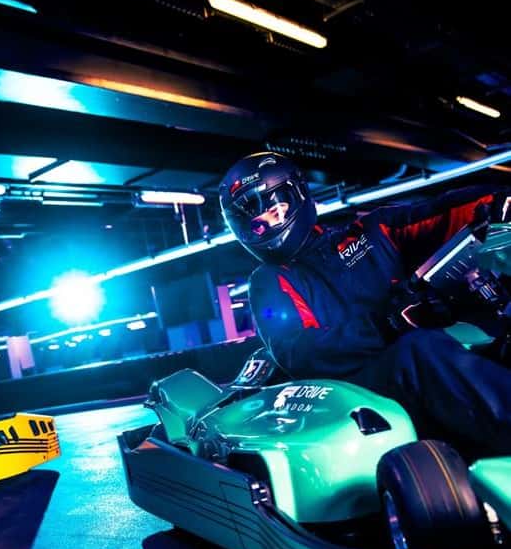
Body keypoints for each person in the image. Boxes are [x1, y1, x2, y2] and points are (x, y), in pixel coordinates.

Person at [218, 151, 511, 457]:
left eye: (275, 210)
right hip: (347, 393)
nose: (266, 225)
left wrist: (496, 202)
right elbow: (302, 352)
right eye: (256, 225)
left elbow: (439, 212)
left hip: (418, 369)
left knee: (493, 337)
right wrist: (387, 324)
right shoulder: (269, 281)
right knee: (417, 351)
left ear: (297, 196)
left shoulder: (371, 231)